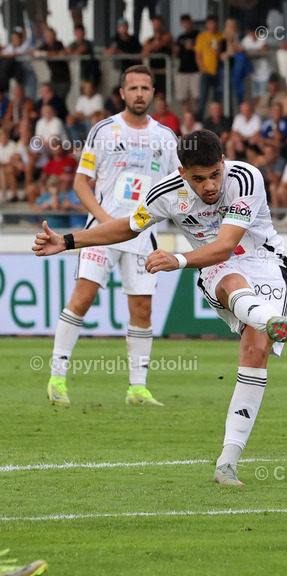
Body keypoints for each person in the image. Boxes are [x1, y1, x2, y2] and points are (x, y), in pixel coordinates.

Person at [34, 129, 287, 485]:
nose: (210, 185)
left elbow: (226, 245)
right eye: (199, 178)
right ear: (182, 173)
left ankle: (227, 461)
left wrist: (176, 259)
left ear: (223, 163)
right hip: (213, 266)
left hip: (264, 261)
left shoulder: (245, 178)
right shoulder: (165, 193)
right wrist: (68, 240)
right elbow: (127, 228)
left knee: (256, 350)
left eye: (215, 174)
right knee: (231, 285)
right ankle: (270, 320)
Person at [44, 66, 181, 409]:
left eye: (145, 88)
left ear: (153, 93)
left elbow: (179, 187)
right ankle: (57, 377)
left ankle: (138, 388)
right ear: (121, 93)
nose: (139, 94)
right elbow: (80, 182)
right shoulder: (103, 130)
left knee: (142, 309)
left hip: (144, 236)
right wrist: (105, 221)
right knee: (83, 299)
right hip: (101, 231)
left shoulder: (166, 138)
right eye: (132, 88)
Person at [174, 15, 202, 114]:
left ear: (191, 22)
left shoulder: (199, 35)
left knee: (196, 96)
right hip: (183, 70)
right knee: (184, 97)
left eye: (188, 22)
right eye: (184, 23)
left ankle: (197, 117)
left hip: (195, 69)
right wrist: (175, 51)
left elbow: (203, 51)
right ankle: (187, 117)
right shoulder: (181, 37)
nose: (186, 25)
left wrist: (192, 48)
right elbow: (176, 54)